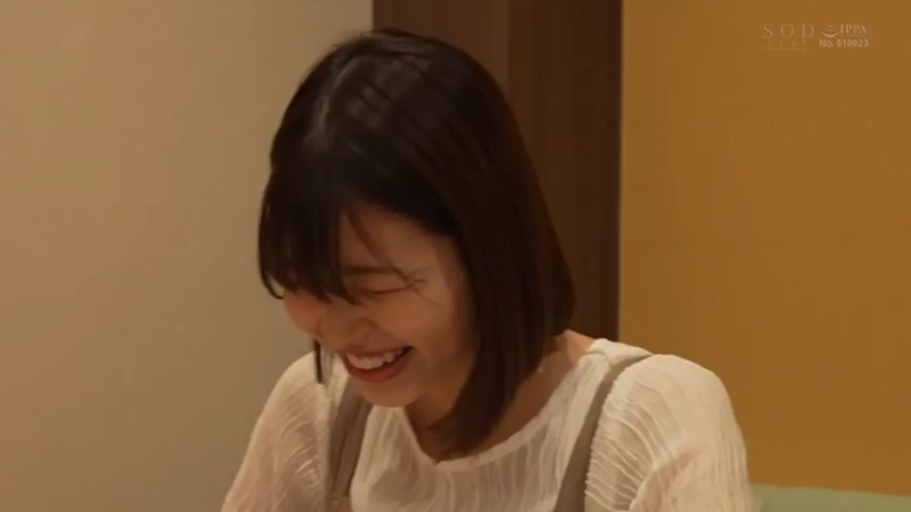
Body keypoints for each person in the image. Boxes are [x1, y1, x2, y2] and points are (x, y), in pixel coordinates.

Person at [223, 28, 753, 512]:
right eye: (305, 284)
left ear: (485, 248)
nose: (337, 331)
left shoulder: (650, 419)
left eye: (373, 288)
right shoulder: (320, 410)